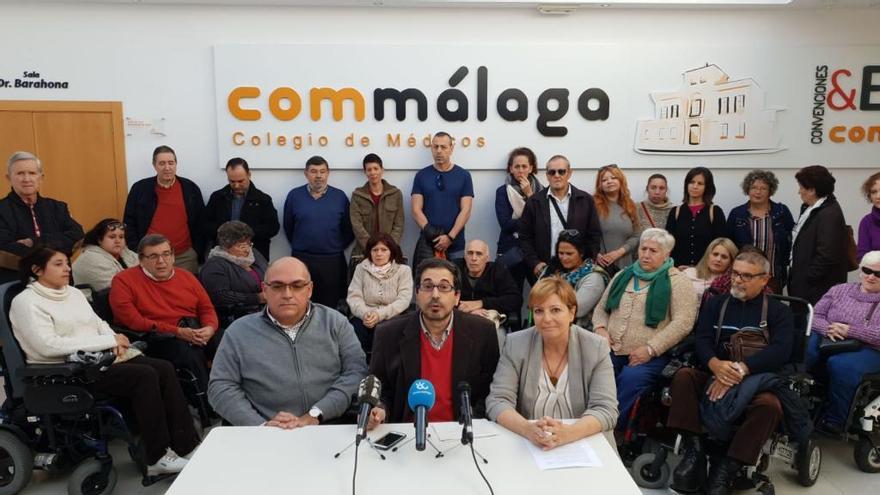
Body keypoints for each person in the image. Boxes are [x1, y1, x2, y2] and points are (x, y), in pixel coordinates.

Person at [10, 246, 199, 475]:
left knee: (163, 367)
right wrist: (106, 342)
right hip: (65, 371)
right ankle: (156, 458)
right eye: (58, 264)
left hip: (98, 360)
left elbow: (97, 323)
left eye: (67, 263)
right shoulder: (26, 302)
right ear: (37, 270)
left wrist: (115, 339)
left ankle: (187, 445)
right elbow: (47, 346)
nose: (67, 268)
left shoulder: (74, 293)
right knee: (145, 375)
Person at [667, 251, 795, 495]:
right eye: (735, 273)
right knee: (683, 377)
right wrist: (715, 365)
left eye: (747, 276)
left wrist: (741, 370)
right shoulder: (716, 303)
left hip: (755, 380)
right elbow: (702, 339)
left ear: (764, 279)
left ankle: (726, 469)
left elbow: (781, 351)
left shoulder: (779, 311)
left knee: (770, 406)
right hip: (715, 372)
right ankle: (695, 452)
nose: (738, 280)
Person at [208, 257, 372, 428]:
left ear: (309, 289)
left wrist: (316, 413)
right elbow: (221, 386)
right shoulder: (239, 332)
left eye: (297, 286)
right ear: (264, 290)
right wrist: (261, 426)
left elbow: (356, 372)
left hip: (328, 425)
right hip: (262, 434)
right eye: (277, 286)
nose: (287, 294)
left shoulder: (335, 323)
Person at [486, 277, 618, 450]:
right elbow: (497, 400)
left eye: (555, 310)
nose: (546, 319)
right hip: (532, 444)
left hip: (583, 442)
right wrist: (528, 430)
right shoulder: (515, 343)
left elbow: (606, 409)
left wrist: (567, 434)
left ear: (572, 312)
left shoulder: (596, 347)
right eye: (539, 311)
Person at [370, 258, 500, 423]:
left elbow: (491, 392)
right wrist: (378, 411)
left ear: (457, 296)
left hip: (461, 433)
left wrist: (471, 423)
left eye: (444, 287)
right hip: (407, 434)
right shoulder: (388, 334)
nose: (435, 295)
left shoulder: (483, 332)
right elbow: (380, 391)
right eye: (428, 286)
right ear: (417, 293)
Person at [592, 228, 698, 429]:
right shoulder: (624, 275)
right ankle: (585, 422)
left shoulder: (678, 282)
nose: (646, 254)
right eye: (643, 248)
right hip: (611, 348)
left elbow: (683, 323)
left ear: (667, 254)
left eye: (653, 251)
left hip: (651, 355)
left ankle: (610, 431)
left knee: (630, 379)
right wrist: (600, 330)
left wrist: (651, 349)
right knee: (594, 373)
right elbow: (601, 309)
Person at [109, 234, 220, 393]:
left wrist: (209, 328)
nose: (161, 261)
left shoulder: (186, 276)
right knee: (189, 354)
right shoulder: (123, 280)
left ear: (173, 256)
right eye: (153, 256)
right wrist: (177, 332)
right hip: (156, 336)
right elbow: (133, 321)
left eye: (166, 254)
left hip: (193, 328)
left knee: (228, 341)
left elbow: (206, 308)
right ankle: (210, 408)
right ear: (141, 260)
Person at [805, 250, 880, 433]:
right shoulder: (839, 289)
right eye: (867, 270)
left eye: (878, 274)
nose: (871, 277)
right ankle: (793, 405)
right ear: (860, 270)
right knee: (804, 352)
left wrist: (851, 331)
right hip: (828, 338)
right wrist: (828, 329)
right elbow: (815, 315)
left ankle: (835, 421)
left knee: (841, 365)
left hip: (869, 348)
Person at [282, 155, 354, 308]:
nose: (318, 176)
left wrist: (335, 246)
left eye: (322, 171)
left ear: (328, 173)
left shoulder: (339, 196)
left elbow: (349, 229)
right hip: (302, 259)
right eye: (314, 171)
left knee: (330, 305)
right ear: (306, 173)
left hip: (332, 261)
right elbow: (288, 226)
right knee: (301, 302)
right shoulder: (294, 196)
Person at [0, 152, 83, 281]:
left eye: (32, 173)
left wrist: (34, 242)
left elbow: (77, 236)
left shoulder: (57, 207)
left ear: (41, 177)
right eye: (20, 173)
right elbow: (5, 249)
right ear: (8, 177)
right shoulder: (2, 210)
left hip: (61, 282)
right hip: (17, 284)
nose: (27, 179)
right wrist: (56, 249)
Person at [123, 145, 205, 274]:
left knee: (184, 292)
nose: (167, 168)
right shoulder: (140, 189)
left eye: (171, 163)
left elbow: (201, 222)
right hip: (150, 256)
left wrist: (197, 250)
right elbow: (129, 221)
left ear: (176, 164)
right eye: (162, 163)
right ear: (154, 165)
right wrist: (136, 249)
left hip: (184, 256)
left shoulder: (190, 188)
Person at [519, 155, 601, 281]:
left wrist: (586, 262)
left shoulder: (585, 200)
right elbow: (525, 237)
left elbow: (594, 235)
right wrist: (534, 263)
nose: (557, 175)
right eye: (552, 172)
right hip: (545, 270)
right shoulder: (534, 202)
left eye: (561, 171)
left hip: (577, 270)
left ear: (569, 173)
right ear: (547, 175)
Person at [789, 165, 849, 305]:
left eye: (801, 187)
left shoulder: (829, 214)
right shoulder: (810, 208)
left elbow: (827, 254)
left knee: (811, 323)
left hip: (816, 288)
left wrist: (808, 278)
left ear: (812, 190)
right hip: (804, 283)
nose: (799, 192)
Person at [411, 132, 474, 264]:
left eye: (443, 147)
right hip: (429, 243)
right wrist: (433, 235)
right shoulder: (421, 175)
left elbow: (466, 210)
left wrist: (450, 237)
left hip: (455, 242)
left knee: (455, 281)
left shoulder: (464, 175)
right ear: (431, 149)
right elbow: (416, 210)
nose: (439, 151)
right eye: (435, 147)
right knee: (427, 282)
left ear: (451, 149)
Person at [726, 170, 794, 292]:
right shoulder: (737, 214)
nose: (758, 192)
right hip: (744, 277)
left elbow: (793, 239)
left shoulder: (782, 212)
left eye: (763, 188)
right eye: (754, 188)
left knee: (770, 308)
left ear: (770, 191)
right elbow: (728, 245)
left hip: (772, 276)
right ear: (748, 190)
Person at [346, 233, 413, 356]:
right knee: (353, 331)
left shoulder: (403, 270)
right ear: (369, 252)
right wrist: (365, 313)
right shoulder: (361, 268)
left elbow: (403, 300)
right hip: (365, 316)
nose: (379, 254)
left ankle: (385, 370)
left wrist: (379, 315)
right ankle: (359, 368)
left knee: (386, 331)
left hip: (392, 315)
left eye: (384, 250)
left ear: (391, 251)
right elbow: (354, 297)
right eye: (375, 250)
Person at [202, 157, 280, 261]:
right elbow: (205, 224)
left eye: (240, 181)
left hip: (254, 256)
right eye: (232, 181)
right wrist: (224, 231)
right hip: (223, 255)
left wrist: (245, 235)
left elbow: (273, 227)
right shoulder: (218, 197)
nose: (236, 185)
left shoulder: (263, 199)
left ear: (249, 175)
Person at [199, 221, 268, 326]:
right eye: (241, 245)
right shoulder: (215, 265)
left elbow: (269, 272)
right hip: (235, 318)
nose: (246, 249)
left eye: (249, 243)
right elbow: (220, 296)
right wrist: (257, 298)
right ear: (226, 246)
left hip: (263, 312)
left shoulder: (254, 253)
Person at [495, 147, 544, 291]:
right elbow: (506, 225)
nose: (520, 170)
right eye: (517, 166)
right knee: (512, 294)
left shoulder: (542, 192)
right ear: (510, 169)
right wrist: (531, 220)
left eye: (524, 166)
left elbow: (544, 222)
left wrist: (530, 196)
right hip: (511, 249)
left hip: (536, 251)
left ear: (531, 168)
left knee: (542, 293)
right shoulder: (502, 191)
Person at [537, 230, 609, 329]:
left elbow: (577, 310)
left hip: (579, 333)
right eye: (561, 253)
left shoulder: (594, 277)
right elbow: (535, 297)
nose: (564, 257)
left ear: (581, 253)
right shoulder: (551, 269)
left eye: (569, 254)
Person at [666, 167, 727, 267]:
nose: (695, 186)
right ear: (686, 185)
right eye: (691, 182)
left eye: (700, 183)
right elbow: (668, 245)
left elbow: (721, 245)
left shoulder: (715, 211)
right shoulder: (675, 211)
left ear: (707, 187)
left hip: (706, 272)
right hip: (679, 271)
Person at [349, 153, 404, 260]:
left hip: (389, 251)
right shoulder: (357, 195)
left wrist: (388, 247)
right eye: (369, 169)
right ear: (365, 172)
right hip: (363, 251)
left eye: (376, 168)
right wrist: (371, 247)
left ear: (382, 170)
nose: (373, 172)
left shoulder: (395, 194)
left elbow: (399, 224)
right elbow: (356, 225)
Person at [594, 164, 642, 271]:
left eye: (613, 178)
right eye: (604, 180)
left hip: (624, 262)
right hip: (600, 264)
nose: (609, 181)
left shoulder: (630, 205)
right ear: (600, 185)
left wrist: (619, 252)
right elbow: (585, 233)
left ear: (621, 181)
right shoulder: (592, 205)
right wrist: (595, 254)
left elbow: (636, 235)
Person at [72, 218, 139, 292]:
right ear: (100, 240)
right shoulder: (91, 259)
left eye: (121, 237)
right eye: (112, 237)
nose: (117, 241)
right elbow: (119, 287)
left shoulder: (126, 252)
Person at [857, 171, 880, 261]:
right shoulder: (866, 222)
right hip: (874, 273)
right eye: (874, 192)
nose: (878, 196)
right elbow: (862, 256)